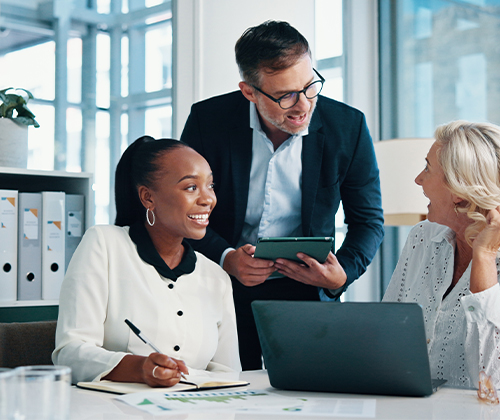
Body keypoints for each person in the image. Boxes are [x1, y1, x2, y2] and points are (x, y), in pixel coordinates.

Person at [180, 20, 384, 370]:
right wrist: (227, 256)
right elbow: (184, 210)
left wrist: (343, 274)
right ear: (249, 91)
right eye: (286, 95)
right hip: (222, 286)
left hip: (308, 292)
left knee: (310, 398)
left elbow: (368, 221)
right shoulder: (208, 120)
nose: (303, 105)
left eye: (310, 86)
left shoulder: (347, 126)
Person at [383, 120, 500, 394]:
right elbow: (385, 332)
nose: (418, 179)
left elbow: (493, 377)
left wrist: (485, 255)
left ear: (459, 193)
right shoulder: (422, 237)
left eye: (428, 169)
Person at [53, 136, 241, 385]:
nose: (208, 199)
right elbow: (70, 353)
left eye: (210, 185)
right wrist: (140, 368)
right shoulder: (104, 244)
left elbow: (229, 374)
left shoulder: (215, 276)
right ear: (148, 198)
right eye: (191, 187)